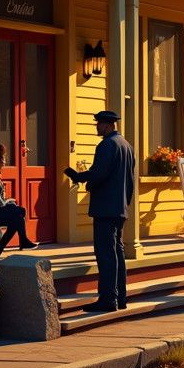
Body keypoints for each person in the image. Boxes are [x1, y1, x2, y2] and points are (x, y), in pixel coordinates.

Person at [64, 110, 135, 313]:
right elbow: (128, 180)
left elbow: (99, 174)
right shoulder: (127, 146)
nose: (97, 127)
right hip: (119, 207)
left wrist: (79, 177)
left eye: (99, 124)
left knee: (105, 254)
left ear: (109, 125)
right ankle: (120, 297)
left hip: (105, 207)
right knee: (117, 253)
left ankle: (107, 299)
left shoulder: (107, 145)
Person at [0, 142, 37, 264]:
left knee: (18, 214)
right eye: (3, 158)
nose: (4, 161)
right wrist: (4, 202)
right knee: (17, 213)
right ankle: (21, 241)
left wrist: (6, 202)